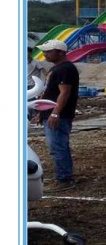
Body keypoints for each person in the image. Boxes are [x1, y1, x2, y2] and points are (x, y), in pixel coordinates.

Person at [37, 40, 80, 191]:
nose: (45, 54)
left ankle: (64, 179)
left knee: (57, 146)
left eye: (49, 51)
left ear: (60, 52)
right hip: (53, 114)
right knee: (59, 145)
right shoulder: (57, 68)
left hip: (58, 116)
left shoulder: (65, 69)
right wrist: (42, 111)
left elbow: (64, 93)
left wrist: (55, 113)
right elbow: (50, 92)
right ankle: (63, 175)